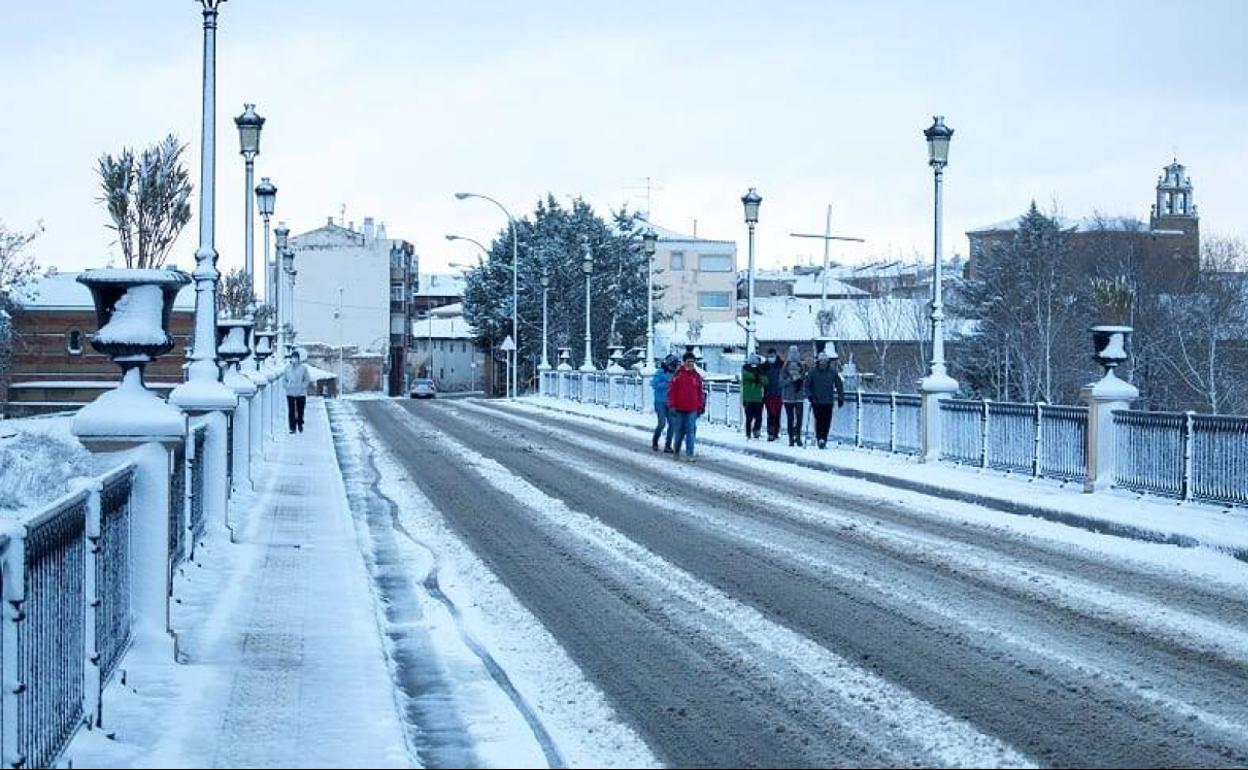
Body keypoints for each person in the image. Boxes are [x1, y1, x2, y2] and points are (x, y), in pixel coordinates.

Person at [667, 352, 705, 461]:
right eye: (689, 362)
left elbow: (700, 392)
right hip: (679, 408)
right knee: (679, 431)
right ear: (684, 362)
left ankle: (689, 454)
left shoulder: (696, 376)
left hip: (692, 408)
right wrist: (672, 405)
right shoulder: (678, 375)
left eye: (693, 362)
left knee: (691, 431)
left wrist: (700, 405)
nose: (691, 364)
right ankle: (676, 451)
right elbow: (672, 391)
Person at [806, 351, 845, 449]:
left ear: (827, 361)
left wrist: (841, 397)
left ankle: (824, 438)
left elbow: (839, 384)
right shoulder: (813, 372)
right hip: (816, 400)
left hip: (828, 400)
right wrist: (809, 395)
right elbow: (807, 385)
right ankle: (820, 438)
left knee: (827, 421)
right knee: (819, 420)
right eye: (821, 361)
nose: (823, 362)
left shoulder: (832, 372)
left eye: (825, 361)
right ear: (818, 361)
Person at [780, 344, 807, 446]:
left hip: (799, 396)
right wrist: (790, 380)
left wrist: (801, 380)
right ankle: (791, 437)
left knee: (799, 418)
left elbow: (805, 380)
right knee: (790, 418)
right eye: (792, 353)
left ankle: (798, 437)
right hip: (788, 397)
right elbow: (781, 382)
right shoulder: (785, 367)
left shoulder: (802, 366)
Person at [651, 354, 679, 452]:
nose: (674, 367)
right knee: (662, 423)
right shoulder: (660, 372)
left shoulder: (676, 374)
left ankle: (668, 445)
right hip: (660, 402)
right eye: (673, 365)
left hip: (671, 402)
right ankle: (655, 441)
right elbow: (654, 384)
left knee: (672, 424)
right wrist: (667, 382)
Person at [284, 350, 313, 433]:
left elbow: (307, 379)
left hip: (301, 393)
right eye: (293, 357)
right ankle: (292, 427)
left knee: (300, 410)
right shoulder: (287, 368)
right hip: (290, 392)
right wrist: (287, 387)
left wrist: (302, 387)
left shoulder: (303, 368)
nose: (294, 359)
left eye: (296, 358)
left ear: (298, 358)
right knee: (291, 410)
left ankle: (300, 424)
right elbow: (284, 380)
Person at [740, 354, 767, 439]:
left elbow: (765, 381)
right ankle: (749, 433)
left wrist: (759, 377)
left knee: (758, 416)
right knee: (749, 417)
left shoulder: (760, 370)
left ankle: (756, 431)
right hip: (749, 397)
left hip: (758, 397)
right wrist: (756, 377)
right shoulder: (745, 369)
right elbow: (745, 377)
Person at [762, 347, 784, 441]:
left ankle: (776, 432)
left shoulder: (781, 365)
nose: (771, 357)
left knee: (777, 413)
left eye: (773, 356)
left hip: (779, 393)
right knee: (771, 413)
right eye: (769, 356)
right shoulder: (764, 366)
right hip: (768, 393)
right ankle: (770, 432)